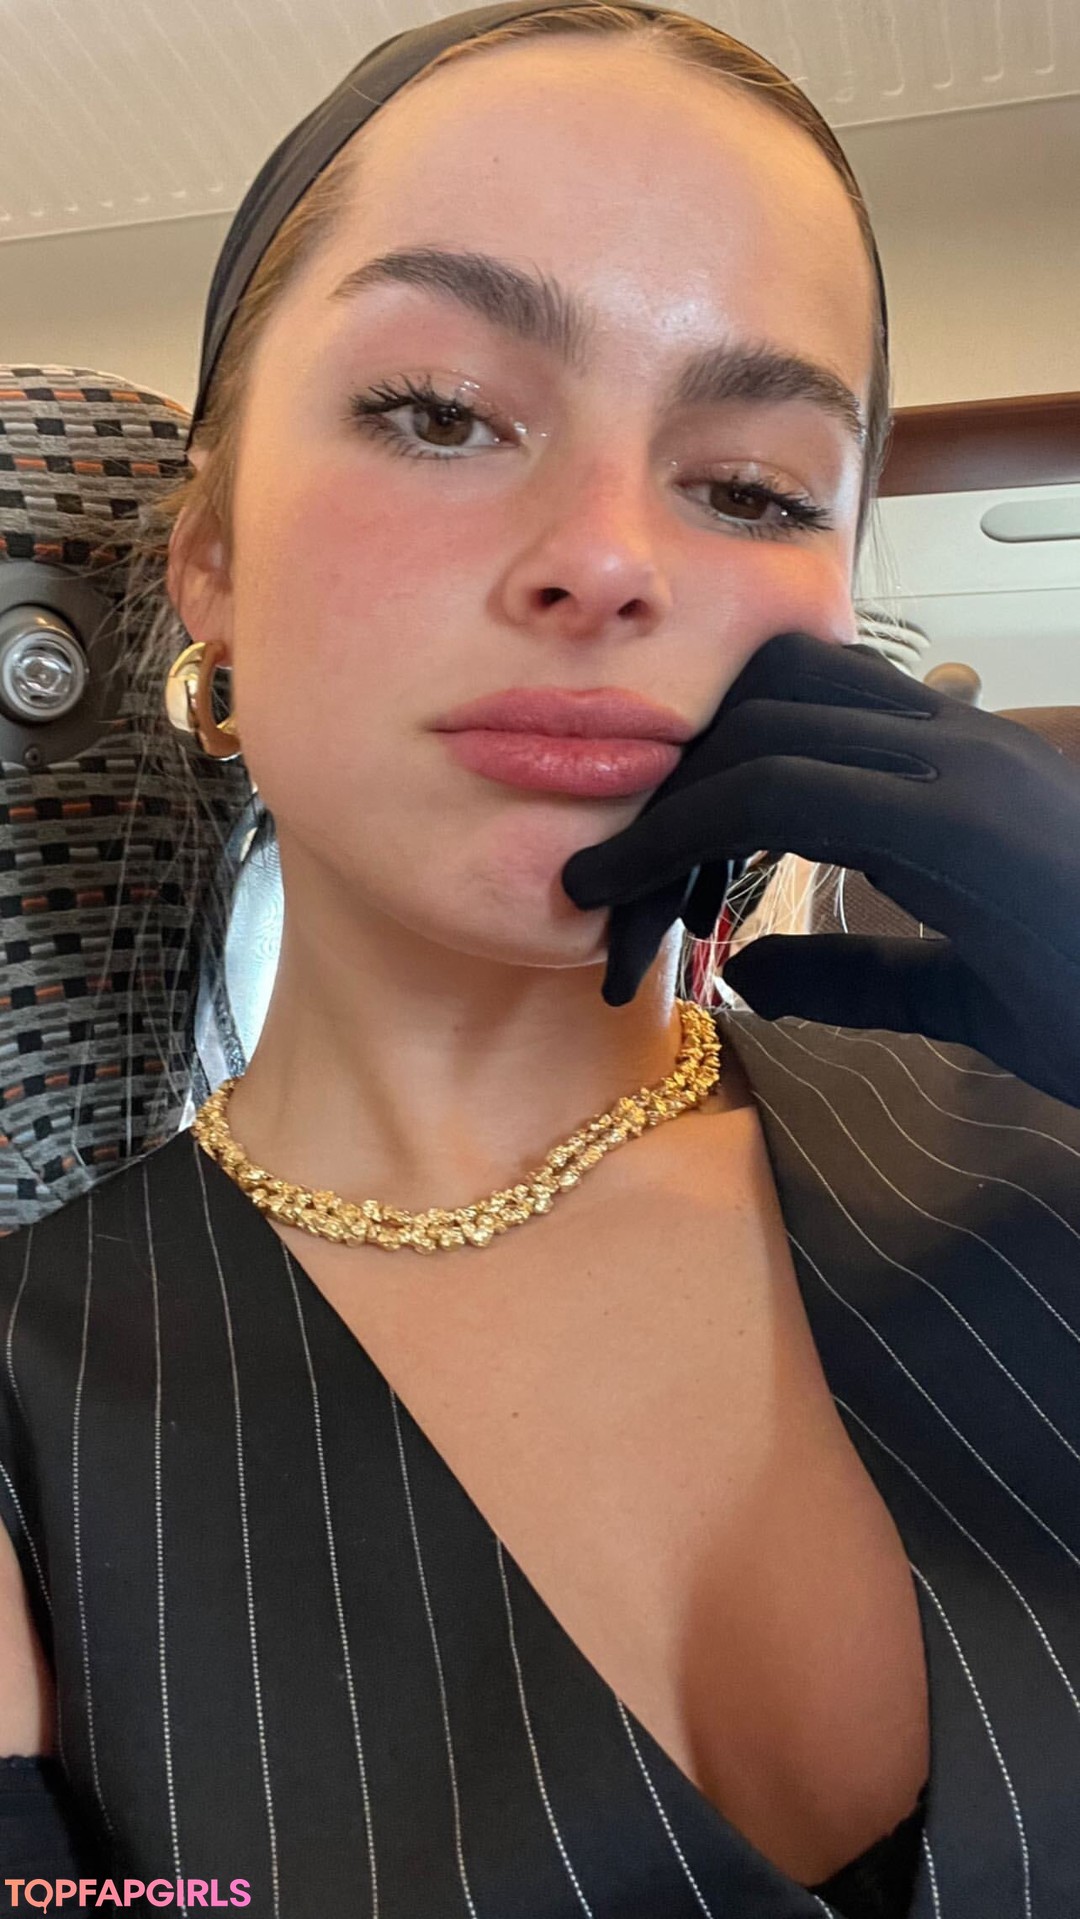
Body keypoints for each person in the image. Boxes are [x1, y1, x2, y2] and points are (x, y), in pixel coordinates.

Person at [3, 3, 1080, 1913]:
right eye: (439, 411)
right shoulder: (27, 1415)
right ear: (213, 552)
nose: (609, 556)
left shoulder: (1047, 1157)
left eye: (752, 487)